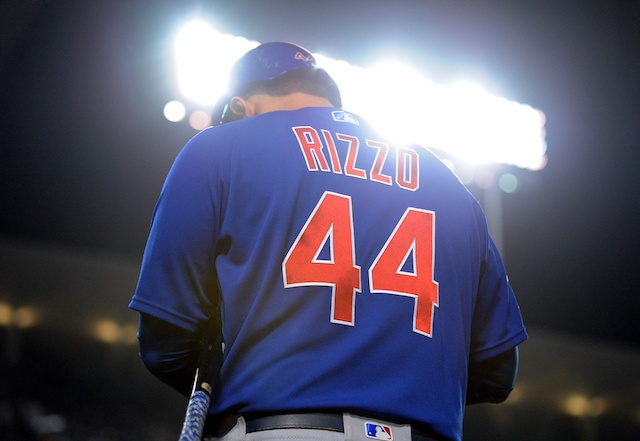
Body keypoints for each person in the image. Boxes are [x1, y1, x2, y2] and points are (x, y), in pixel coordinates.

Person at [129, 41, 527, 441]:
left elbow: (165, 337)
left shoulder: (219, 147)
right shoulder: (450, 186)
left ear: (240, 107)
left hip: (282, 430)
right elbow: (498, 370)